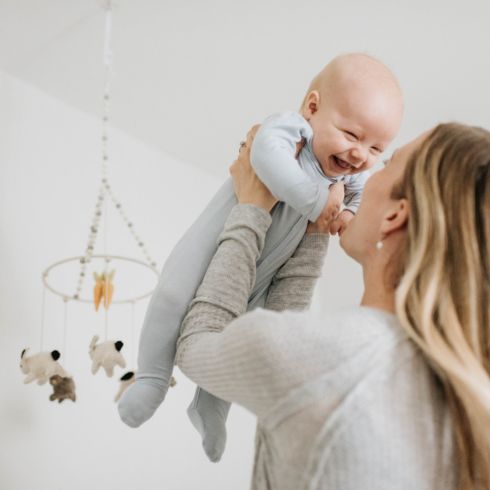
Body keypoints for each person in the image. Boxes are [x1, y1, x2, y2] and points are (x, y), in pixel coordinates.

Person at [118, 52, 403, 462]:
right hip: (215, 243)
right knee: (171, 296)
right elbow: (264, 157)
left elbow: (353, 200)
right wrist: (316, 201)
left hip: (262, 270)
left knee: (239, 331)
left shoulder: (348, 177)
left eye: (377, 147)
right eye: (352, 135)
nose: (360, 155)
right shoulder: (290, 130)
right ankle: (151, 378)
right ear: (312, 108)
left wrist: (347, 214)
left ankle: (211, 407)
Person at [175, 122, 490, 489]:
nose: (364, 171)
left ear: (394, 216)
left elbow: (198, 343)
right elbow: (291, 342)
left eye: (386, 162)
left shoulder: (325, 360)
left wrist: (252, 209)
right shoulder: (463, 394)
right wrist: (313, 230)